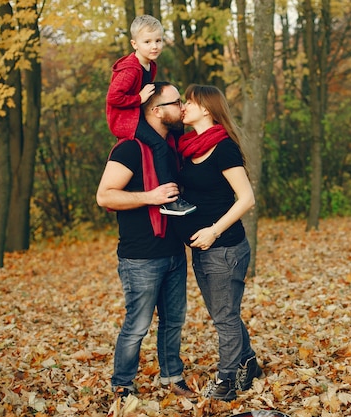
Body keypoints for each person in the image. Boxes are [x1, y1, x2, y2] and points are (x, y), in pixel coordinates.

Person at [97, 81, 197, 402]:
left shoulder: (173, 147)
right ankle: (123, 384)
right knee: (137, 326)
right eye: (175, 102)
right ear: (155, 111)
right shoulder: (129, 149)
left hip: (173, 250)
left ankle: (172, 376)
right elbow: (105, 196)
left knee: (173, 322)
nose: (181, 107)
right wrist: (150, 196)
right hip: (140, 256)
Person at [174, 84, 263, 401]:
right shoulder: (189, 147)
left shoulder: (223, 148)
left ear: (207, 109)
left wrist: (213, 230)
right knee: (224, 315)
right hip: (202, 250)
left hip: (225, 248)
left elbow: (247, 198)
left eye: (190, 101)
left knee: (224, 318)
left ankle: (226, 382)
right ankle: (248, 361)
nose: (184, 106)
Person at [106, 14, 196, 216]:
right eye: (147, 42)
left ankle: (184, 181)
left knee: (176, 131)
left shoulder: (150, 64)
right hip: (125, 120)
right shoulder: (131, 69)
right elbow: (113, 97)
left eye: (158, 40)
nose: (154, 46)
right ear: (134, 44)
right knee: (159, 145)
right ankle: (169, 202)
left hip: (135, 114)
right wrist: (137, 99)